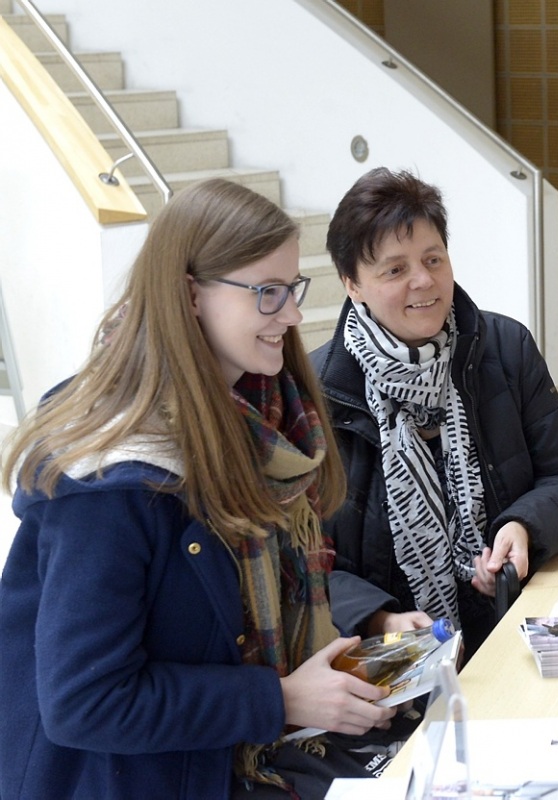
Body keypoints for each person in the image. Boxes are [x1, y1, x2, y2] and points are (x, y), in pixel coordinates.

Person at [0, 179, 401, 799]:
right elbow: (85, 702)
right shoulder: (114, 480)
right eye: (267, 294)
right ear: (190, 296)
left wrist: (335, 669)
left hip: (225, 759)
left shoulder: (267, 419)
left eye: (292, 289)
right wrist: (280, 698)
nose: (292, 316)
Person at [311, 167, 558, 659]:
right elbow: (299, 564)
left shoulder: (504, 347)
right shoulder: (318, 392)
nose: (424, 281)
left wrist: (523, 526)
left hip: (509, 628)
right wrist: (379, 617)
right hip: (391, 657)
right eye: (395, 269)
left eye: (433, 259)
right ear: (352, 285)